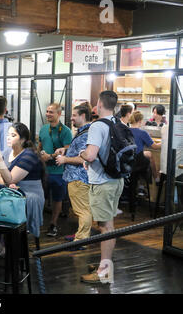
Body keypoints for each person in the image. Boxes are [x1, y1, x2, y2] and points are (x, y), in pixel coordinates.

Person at [79, 90, 124, 284]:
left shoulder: (98, 125)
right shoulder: (118, 122)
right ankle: (104, 264)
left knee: (105, 227)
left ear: (98, 104)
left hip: (102, 182)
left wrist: (82, 153)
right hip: (116, 180)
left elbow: (90, 155)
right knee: (109, 225)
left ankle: (104, 272)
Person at [0, 122, 45, 239]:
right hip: (11, 190)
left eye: (13, 135)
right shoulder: (8, 152)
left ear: (22, 140)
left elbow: (10, 179)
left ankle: (1, 241)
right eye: (8, 134)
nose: (8, 137)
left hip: (27, 195)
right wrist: (8, 182)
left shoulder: (29, 155)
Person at [55, 103, 92, 249]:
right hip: (77, 178)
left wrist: (65, 159)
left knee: (82, 210)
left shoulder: (87, 133)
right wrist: (66, 150)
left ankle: (81, 240)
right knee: (82, 209)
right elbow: (78, 150)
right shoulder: (85, 131)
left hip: (79, 178)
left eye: (74, 115)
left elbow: (84, 158)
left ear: (83, 116)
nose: (71, 118)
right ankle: (80, 235)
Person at [38, 103, 73, 237]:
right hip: (44, 170)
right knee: (41, 197)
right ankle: (37, 222)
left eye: (51, 112)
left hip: (59, 172)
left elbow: (67, 150)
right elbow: (40, 145)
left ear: (59, 114)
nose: (47, 114)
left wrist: (50, 156)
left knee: (57, 199)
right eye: (47, 111)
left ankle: (53, 224)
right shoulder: (43, 129)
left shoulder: (65, 131)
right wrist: (41, 154)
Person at [129, 111, 161, 181]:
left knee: (147, 154)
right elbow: (155, 146)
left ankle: (141, 184)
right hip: (138, 160)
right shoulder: (143, 133)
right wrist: (164, 142)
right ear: (140, 121)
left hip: (128, 160)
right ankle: (156, 178)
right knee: (150, 155)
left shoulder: (126, 130)